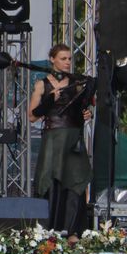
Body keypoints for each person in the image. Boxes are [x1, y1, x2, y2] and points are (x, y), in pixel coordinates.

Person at [29, 43, 93, 234]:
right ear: (52, 59)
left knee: (74, 180)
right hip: (53, 138)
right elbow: (32, 116)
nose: (67, 62)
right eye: (63, 58)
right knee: (51, 180)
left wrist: (87, 113)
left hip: (72, 138)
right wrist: (50, 100)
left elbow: (85, 107)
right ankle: (49, 230)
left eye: (69, 59)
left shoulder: (77, 83)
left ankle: (72, 230)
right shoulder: (42, 84)